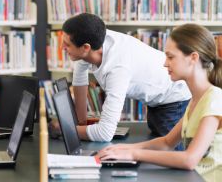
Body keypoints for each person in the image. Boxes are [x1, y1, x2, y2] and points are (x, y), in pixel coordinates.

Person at [98, 23, 222, 181]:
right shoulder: (196, 99)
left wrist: (134, 154)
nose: (164, 63)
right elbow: (167, 142)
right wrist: (123, 148)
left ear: (193, 58)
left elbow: (190, 160)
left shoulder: (213, 99)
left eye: (171, 57)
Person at [59, 13, 191, 149]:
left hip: (173, 99)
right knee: (157, 143)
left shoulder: (118, 68)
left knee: (170, 153)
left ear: (85, 48)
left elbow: (105, 133)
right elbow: (79, 79)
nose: (62, 48)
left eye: (67, 44)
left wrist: (65, 129)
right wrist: (80, 124)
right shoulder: (93, 38)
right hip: (155, 100)